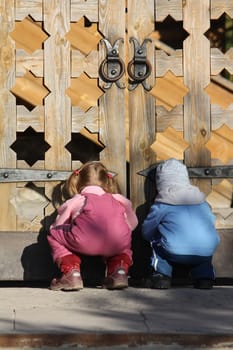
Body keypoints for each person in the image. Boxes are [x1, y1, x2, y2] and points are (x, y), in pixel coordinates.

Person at [47, 161, 138, 291]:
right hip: (116, 243)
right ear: (107, 181)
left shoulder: (78, 199)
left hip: (84, 242)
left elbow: (59, 225)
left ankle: (71, 272)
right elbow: (132, 224)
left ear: (78, 181)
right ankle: (119, 272)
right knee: (124, 239)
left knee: (53, 234)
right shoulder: (119, 199)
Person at [141, 158, 220, 289]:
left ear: (160, 183)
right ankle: (205, 278)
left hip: (174, 251)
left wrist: (147, 236)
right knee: (204, 245)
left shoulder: (163, 202)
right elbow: (211, 221)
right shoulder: (201, 201)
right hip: (205, 250)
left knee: (155, 240)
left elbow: (149, 227)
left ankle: (161, 276)